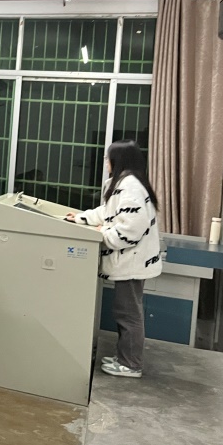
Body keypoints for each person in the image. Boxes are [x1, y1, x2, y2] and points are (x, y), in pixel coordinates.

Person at [66, 139, 162, 378]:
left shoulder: (130, 187)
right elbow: (108, 213)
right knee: (125, 312)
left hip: (131, 263)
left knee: (128, 315)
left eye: (108, 158)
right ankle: (124, 357)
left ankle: (131, 364)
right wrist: (80, 218)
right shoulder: (125, 183)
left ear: (118, 160)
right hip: (128, 262)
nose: (105, 162)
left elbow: (131, 228)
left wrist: (104, 235)